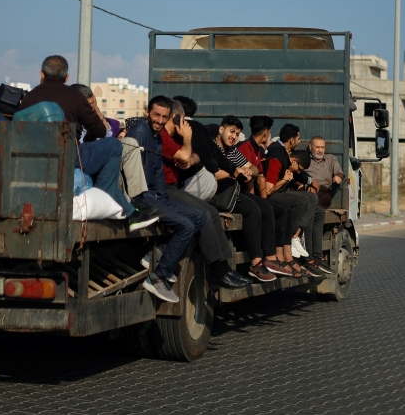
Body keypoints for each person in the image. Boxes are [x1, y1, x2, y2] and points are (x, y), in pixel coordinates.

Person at [18, 56, 157, 232]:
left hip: (36, 156)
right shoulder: (73, 96)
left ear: (41, 75)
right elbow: (100, 131)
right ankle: (107, 190)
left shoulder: (29, 97)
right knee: (114, 145)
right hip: (68, 155)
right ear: (67, 77)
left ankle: (120, 202)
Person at [159, 101, 251, 289]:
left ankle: (225, 267)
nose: (187, 125)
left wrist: (191, 157)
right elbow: (185, 155)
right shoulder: (163, 137)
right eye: (184, 120)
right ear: (177, 118)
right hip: (163, 191)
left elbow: (194, 156)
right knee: (203, 215)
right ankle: (217, 271)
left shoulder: (174, 137)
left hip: (173, 188)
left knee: (212, 212)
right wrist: (186, 143)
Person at [126, 96, 210, 302]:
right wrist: (145, 204)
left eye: (164, 117)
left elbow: (158, 174)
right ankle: (158, 277)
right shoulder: (139, 132)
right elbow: (133, 176)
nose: (160, 120)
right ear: (148, 112)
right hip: (141, 198)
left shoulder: (156, 136)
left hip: (155, 195)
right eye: (156, 115)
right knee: (187, 226)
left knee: (200, 216)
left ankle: (157, 255)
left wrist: (164, 200)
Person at [236, 116, 305, 278]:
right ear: (266, 133)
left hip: (252, 193)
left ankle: (282, 257)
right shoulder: (245, 148)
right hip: (240, 192)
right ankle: (271, 257)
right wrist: (258, 201)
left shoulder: (257, 149)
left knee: (282, 210)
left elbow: (259, 177)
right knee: (266, 209)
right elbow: (249, 179)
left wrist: (263, 200)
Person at [212, 116, 276, 282]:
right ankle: (255, 262)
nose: (233, 136)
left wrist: (247, 171)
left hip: (231, 191)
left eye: (237, 133)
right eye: (231, 131)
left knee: (266, 207)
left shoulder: (233, 150)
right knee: (252, 210)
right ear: (221, 129)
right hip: (215, 194)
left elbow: (254, 169)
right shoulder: (213, 148)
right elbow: (210, 174)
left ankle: (270, 258)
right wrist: (234, 171)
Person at [267, 124, 329, 277]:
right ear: (291, 139)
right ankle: (293, 237)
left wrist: (309, 180)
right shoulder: (277, 152)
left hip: (280, 191)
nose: (299, 142)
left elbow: (296, 171)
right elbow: (271, 186)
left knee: (314, 205)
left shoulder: (285, 152)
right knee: (304, 201)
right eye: (298, 138)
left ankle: (303, 245)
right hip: (274, 194)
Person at [308, 135, 344, 208]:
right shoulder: (304, 159)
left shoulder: (331, 159)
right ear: (310, 147)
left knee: (319, 202)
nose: (320, 150)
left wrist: (338, 177)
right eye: (317, 147)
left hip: (323, 192)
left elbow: (340, 173)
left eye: (322, 147)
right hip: (308, 190)